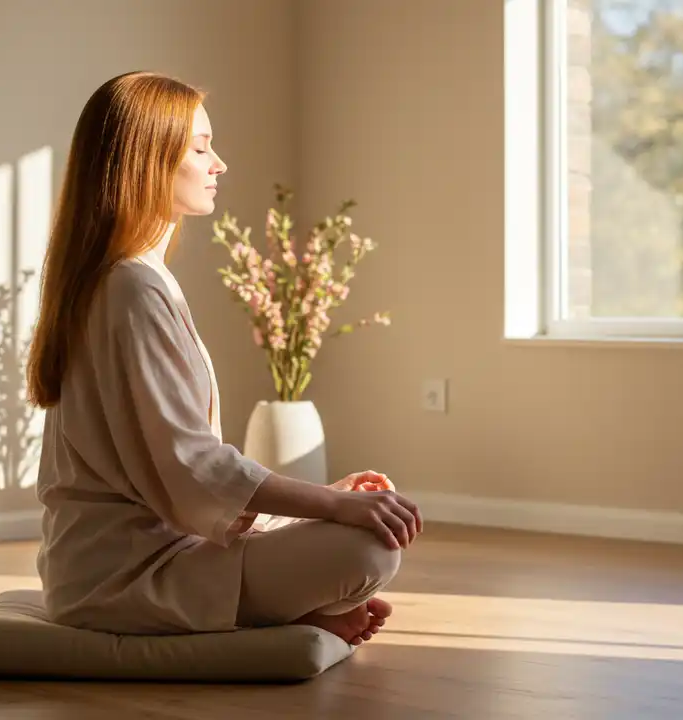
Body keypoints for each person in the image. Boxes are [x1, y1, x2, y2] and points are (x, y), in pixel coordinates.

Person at [24, 71, 422, 647]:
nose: (220, 164)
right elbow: (193, 466)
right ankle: (271, 615)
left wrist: (316, 507)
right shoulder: (130, 288)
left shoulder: (133, 281)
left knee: (365, 527)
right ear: (148, 159)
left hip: (147, 558)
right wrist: (329, 506)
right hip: (124, 581)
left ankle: (278, 611)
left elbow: (177, 476)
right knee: (369, 549)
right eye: (202, 147)